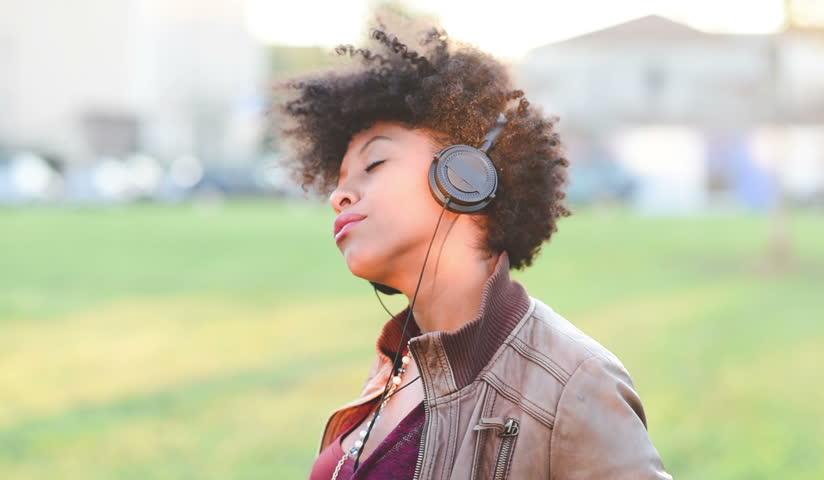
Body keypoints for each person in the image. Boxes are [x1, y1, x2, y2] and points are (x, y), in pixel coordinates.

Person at [278, 12, 672, 480]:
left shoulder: (572, 385)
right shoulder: (396, 369)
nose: (338, 196)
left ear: (463, 177)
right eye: (339, 182)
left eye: (375, 163)